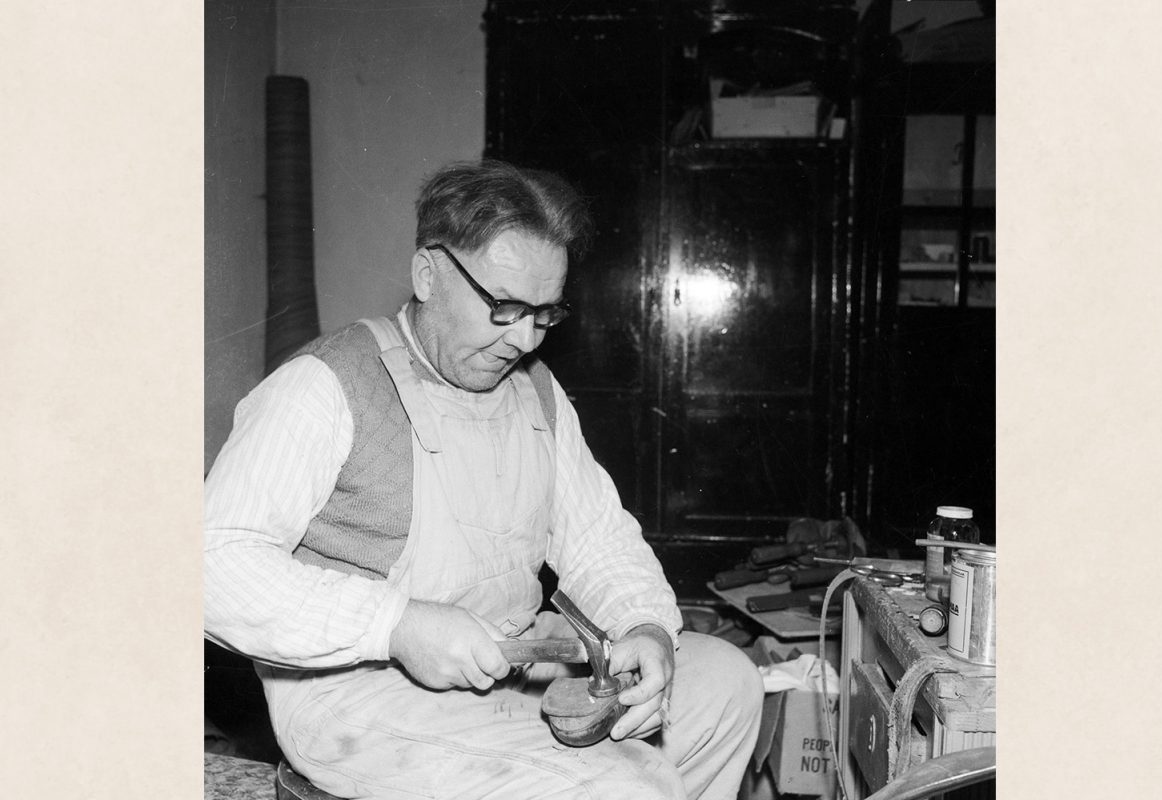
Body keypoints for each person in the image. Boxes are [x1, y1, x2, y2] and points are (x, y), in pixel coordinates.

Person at [204, 159, 763, 800]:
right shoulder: (327, 385)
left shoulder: (536, 394)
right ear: (428, 274)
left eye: (545, 314)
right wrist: (395, 624)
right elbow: (213, 563)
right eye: (504, 306)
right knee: (624, 784)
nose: (525, 340)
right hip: (361, 696)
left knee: (727, 684)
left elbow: (598, 540)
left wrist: (642, 626)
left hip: (510, 669)